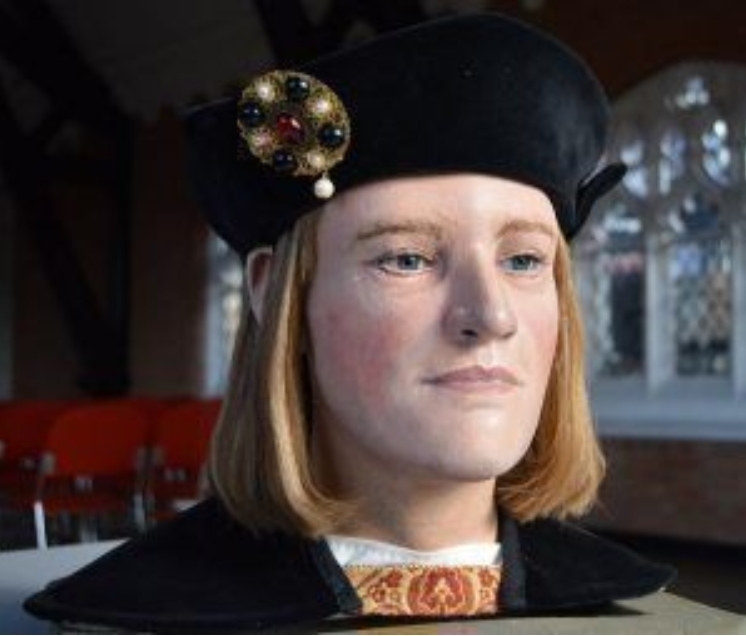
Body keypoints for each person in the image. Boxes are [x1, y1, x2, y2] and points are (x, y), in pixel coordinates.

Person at [24, 12, 674, 633]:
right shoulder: (131, 622)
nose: (491, 315)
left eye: (524, 260)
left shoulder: (655, 617)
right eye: (407, 258)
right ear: (274, 293)